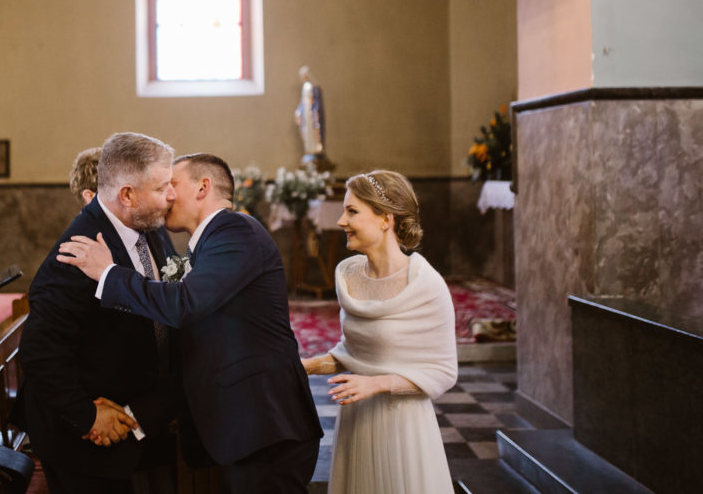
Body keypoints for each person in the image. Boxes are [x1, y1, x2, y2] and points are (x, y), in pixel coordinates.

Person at [60, 153, 323, 494]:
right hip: (247, 431)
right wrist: (136, 413)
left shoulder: (236, 230)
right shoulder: (208, 246)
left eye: (173, 185)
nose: (166, 196)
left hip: (264, 427)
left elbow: (184, 304)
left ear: (203, 187)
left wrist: (108, 274)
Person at [16, 132, 180, 494]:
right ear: (127, 195)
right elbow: (40, 353)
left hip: (135, 422)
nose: (172, 195)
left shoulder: (147, 227)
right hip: (82, 443)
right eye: (162, 187)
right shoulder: (77, 253)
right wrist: (88, 415)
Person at [301, 170, 457, 494]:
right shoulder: (348, 274)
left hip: (402, 423)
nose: (342, 221)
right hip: (356, 419)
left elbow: (443, 371)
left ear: (386, 219)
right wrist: (307, 366)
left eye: (352, 211)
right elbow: (353, 351)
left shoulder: (426, 285)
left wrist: (378, 384)